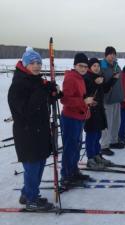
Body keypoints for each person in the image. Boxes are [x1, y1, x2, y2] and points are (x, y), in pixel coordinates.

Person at [8, 47, 60, 211]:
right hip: (27, 133)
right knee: (33, 167)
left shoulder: (36, 80)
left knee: (40, 163)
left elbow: (43, 103)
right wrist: (42, 91)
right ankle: (31, 199)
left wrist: (53, 94)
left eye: (38, 62)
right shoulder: (18, 85)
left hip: (40, 131)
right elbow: (27, 110)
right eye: (32, 63)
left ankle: (27, 193)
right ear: (25, 64)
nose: (37, 66)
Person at [60, 53, 93, 189]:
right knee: (70, 148)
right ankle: (66, 176)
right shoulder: (70, 78)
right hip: (70, 118)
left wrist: (87, 106)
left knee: (77, 146)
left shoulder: (81, 78)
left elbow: (81, 97)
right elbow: (65, 100)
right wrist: (83, 101)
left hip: (79, 117)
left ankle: (74, 171)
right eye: (81, 66)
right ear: (75, 65)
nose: (84, 68)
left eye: (86, 66)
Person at [83, 58, 118, 169]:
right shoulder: (87, 77)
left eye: (98, 66)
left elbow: (105, 89)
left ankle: (97, 155)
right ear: (89, 67)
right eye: (94, 66)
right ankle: (90, 159)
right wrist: (95, 83)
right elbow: (86, 92)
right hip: (90, 110)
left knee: (98, 134)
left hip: (99, 109)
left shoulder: (98, 77)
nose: (96, 68)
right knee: (91, 135)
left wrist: (113, 79)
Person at [100, 46, 124, 155]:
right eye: (110, 54)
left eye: (114, 54)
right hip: (107, 100)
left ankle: (114, 141)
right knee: (107, 124)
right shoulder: (102, 66)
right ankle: (104, 145)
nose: (112, 56)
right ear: (106, 55)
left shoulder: (116, 66)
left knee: (116, 122)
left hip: (117, 98)